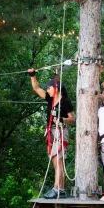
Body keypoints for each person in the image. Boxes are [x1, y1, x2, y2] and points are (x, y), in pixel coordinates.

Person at [28, 69, 75, 199]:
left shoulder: (65, 102)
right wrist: (32, 75)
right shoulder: (50, 99)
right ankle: (61, 189)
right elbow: (36, 88)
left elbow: (72, 119)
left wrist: (61, 119)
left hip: (60, 130)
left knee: (59, 161)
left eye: (49, 88)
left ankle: (57, 188)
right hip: (51, 132)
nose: (47, 90)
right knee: (55, 163)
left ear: (56, 88)